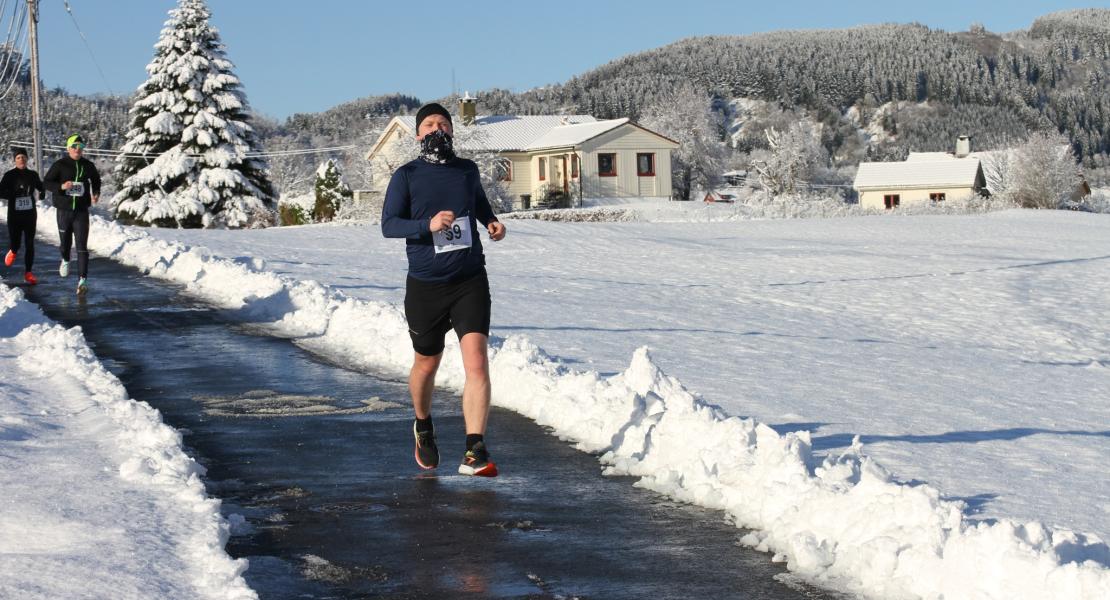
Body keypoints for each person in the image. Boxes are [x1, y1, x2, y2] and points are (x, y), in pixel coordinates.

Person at [381, 102, 507, 477]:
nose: (438, 129)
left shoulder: (466, 170)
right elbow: (389, 225)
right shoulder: (406, 175)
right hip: (426, 285)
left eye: (444, 124)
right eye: (430, 124)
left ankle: (475, 450)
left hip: (469, 279)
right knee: (427, 363)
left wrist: (492, 222)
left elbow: (479, 202)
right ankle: (423, 423)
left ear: (452, 131)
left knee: (477, 362)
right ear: (418, 134)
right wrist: (427, 225)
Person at [43, 134, 100, 295]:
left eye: (81, 147)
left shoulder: (87, 165)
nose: (78, 149)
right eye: (74, 146)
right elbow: (46, 182)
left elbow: (96, 179)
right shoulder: (60, 165)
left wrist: (96, 192)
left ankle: (82, 280)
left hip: (81, 211)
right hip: (64, 210)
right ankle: (66, 259)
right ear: (68, 148)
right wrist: (61, 186)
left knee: (82, 246)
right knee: (65, 243)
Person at [0, 147, 44, 285]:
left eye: (24, 157)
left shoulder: (32, 174)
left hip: (30, 214)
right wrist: (12, 195)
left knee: (30, 243)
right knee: (16, 242)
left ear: (27, 159)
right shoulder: (9, 175)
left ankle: (28, 273)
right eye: (18, 157)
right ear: (15, 160)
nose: (21, 160)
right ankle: (13, 250)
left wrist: (42, 192)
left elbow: (40, 186)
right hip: (15, 214)